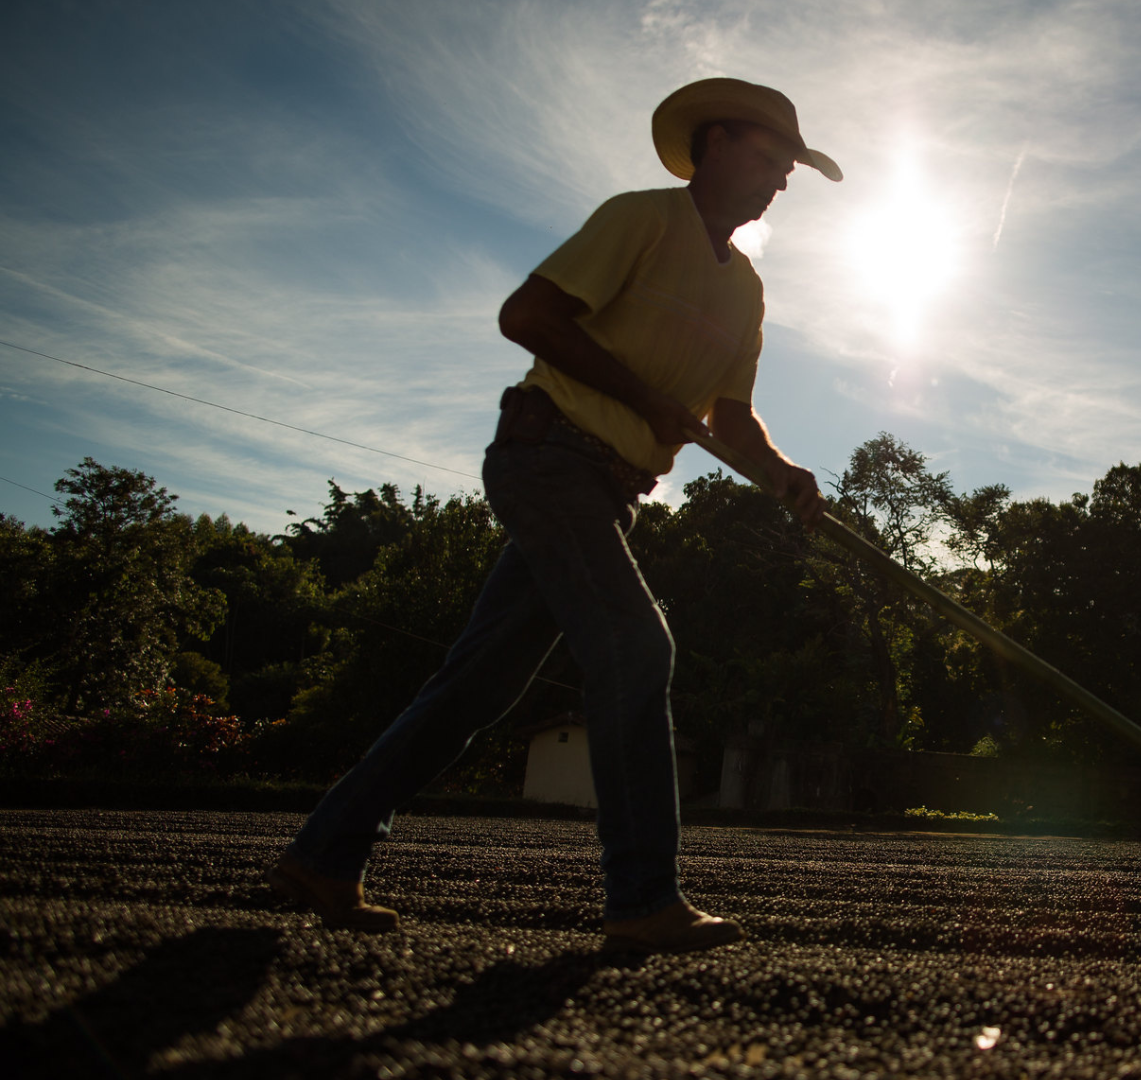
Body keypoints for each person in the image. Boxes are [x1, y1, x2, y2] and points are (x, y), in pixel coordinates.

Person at [266, 78, 836, 954]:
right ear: (713, 143)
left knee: (475, 689)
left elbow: (729, 417)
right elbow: (526, 315)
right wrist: (644, 395)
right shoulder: (640, 219)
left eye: (790, 168)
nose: (781, 181)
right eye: (770, 158)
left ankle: (323, 855)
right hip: (547, 457)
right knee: (638, 649)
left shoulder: (748, 293)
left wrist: (782, 471)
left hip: (608, 489)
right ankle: (642, 899)